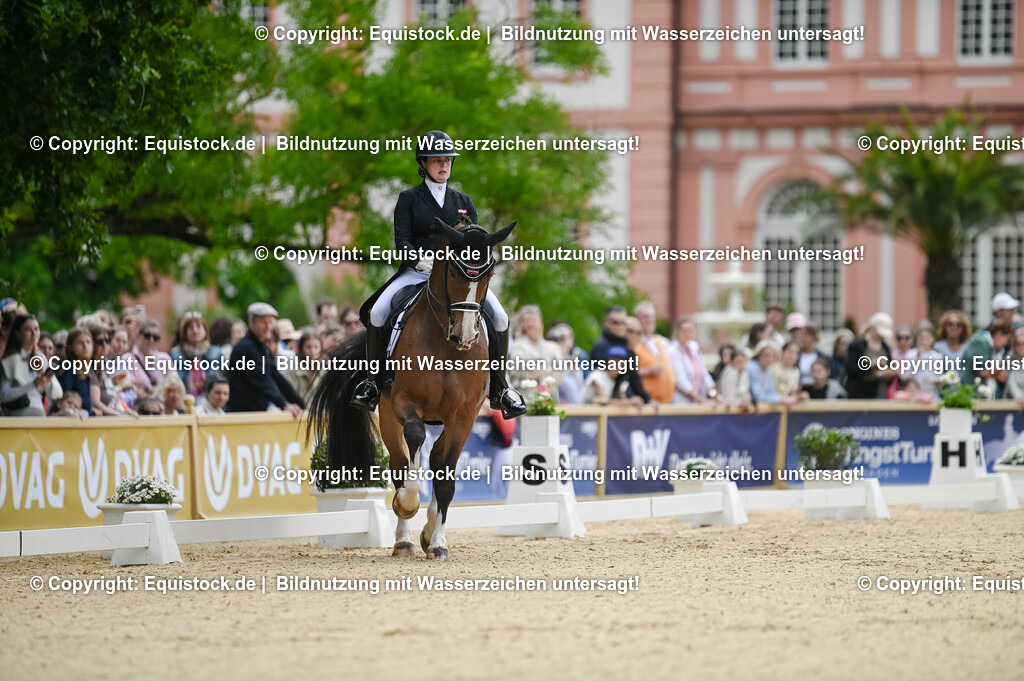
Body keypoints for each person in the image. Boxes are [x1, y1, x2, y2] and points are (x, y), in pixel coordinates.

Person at [350, 130, 525, 418]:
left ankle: (500, 388)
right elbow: (402, 240)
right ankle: (372, 382)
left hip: (459, 277)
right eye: (436, 160)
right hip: (417, 273)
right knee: (378, 313)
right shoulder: (409, 198)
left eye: (447, 160)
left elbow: (474, 241)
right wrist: (419, 260)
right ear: (423, 163)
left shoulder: (463, 200)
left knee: (501, 318)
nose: (443, 165)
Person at [226, 302, 305, 416]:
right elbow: (262, 380)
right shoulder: (246, 348)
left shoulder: (262, 347)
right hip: (240, 414)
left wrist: (302, 404)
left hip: (256, 412)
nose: (268, 326)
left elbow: (277, 377)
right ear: (251, 322)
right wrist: (284, 404)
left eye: (270, 322)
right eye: (263, 322)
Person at [1, 314, 62, 416]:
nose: (34, 334)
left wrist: (45, 377)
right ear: (17, 333)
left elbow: (56, 394)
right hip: (18, 415)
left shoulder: (41, 357)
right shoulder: (10, 360)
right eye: (28, 330)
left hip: (39, 413)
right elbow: (3, 396)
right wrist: (34, 384)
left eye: (36, 329)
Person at [508, 305, 564, 391]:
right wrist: (549, 369)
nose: (531, 324)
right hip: (526, 394)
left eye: (534, 320)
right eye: (527, 321)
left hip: (549, 395)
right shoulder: (517, 345)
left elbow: (561, 373)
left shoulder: (553, 347)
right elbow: (520, 370)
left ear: (541, 322)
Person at [170, 313, 224, 398]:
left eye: (198, 326)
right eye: (190, 328)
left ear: (205, 331)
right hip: (184, 399)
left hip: (209, 399)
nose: (195, 331)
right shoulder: (176, 354)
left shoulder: (215, 352)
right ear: (185, 332)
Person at [845, 312, 896, 399]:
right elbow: (850, 368)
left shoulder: (885, 347)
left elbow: (889, 368)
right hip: (858, 392)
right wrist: (870, 364)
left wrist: (888, 374)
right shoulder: (857, 345)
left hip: (878, 391)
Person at [632, 302, 675, 404]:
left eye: (652, 317)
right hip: (647, 403)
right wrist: (648, 371)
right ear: (637, 319)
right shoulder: (634, 344)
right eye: (645, 316)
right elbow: (626, 373)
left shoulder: (661, 342)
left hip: (666, 402)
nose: (649, 320)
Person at [667, 316, 714, 404]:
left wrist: (714, 394)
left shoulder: (694, 347)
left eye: (690, 331)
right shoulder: (672, 351)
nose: (687, 334)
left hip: (700, 399)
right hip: (683, 402)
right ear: (678, 332)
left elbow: (704, 373)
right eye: (684, 331)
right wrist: (702, 400)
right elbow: (681, 382)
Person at [958, 321, 1013, 392]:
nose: (1006, 343)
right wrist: (999, 375)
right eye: (1007, 339)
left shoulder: (995, 348)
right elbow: (982, 371)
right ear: (999, 334)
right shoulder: (980, 342)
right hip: (967, 389)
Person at [127, 320, 173, 397]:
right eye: (147, 335)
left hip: (161, 402)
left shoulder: (165, 358)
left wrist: (147, 389)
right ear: (138, 335)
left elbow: (174, 383)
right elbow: (129, 387)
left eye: (155, 337)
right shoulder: (128, 358)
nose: (151, 340)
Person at [58, 328, 96, 415]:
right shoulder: (67, 369)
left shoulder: (88, 369)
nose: (85, 346)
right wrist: (91, 413)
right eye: (80, 343)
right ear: (70, 347)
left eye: (88, 342)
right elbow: (67, 404)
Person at [289, 330, 324, 401]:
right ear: (301, 348)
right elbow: (289, 395)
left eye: (316, 347)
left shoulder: (323, 372)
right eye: (308, 347)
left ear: (321, 348)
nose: (312, 351)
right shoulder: (293, 371)